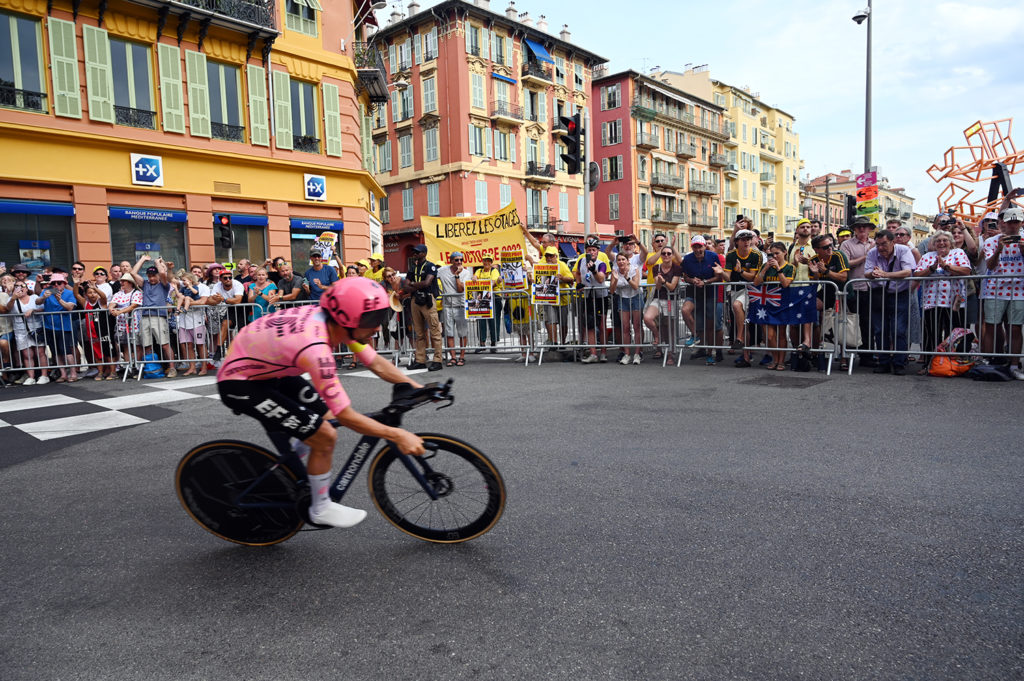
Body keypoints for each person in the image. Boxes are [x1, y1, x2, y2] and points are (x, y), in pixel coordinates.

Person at [217, 277, 426, 529]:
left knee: (324, 419)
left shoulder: (333, 321)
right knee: (325, 435)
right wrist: (396, 434)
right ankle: (320, 507)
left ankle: (295, 457)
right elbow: (347, 416)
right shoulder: (316, 349)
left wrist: (416, 388)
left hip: (270, 370)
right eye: (371, 321)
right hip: (240, 383)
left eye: (378, 319)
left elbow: (374, 362)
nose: (377, 328)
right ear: (345, 320)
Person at [913, 230, 972, 375]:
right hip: (931, 302)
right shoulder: (927, 256)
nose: (941, 243)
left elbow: (966, 271)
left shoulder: (958, 253)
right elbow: (917, 274)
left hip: (953, 302)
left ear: (951, 242)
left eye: (945, 240)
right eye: (938, 240)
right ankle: (929, 364)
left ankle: (958, 364)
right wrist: (932, 268)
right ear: (933, 244)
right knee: (931, 334)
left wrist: (947, 267)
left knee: (956, 333)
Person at [864, 229, 916, 375]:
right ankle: (883, 362)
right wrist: (873, 274)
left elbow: (907, 272)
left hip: (900, 294)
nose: (880, 248)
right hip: (879, 294)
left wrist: (885, 274)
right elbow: (866, 272)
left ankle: (899, 363)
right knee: (880, 329)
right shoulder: (872, 253)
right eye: (878, 244)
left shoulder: (904, 250)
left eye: (884, 244)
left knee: (898, 329)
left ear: (893, 242)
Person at [980, 206, 1024, 378]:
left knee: (1015, 328)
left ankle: (1014, 365)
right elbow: (990, 266)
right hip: (995, 289)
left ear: (1021, 223)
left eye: (1016, 222)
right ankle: (990, 361)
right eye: (1008, 222)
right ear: (1002, 223)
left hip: (1019, 289)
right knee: (991, 326)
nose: (1012, 226)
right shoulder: (991, 241)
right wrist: (999, 248)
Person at [681, 234, 725, 365]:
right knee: (692, 317)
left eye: (700, 247)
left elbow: (719, 277)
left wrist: (705, 282)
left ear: (704, 246)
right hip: (695, 294)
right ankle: (697, 338)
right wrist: (692, 280)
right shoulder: (688, 259)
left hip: (711, 293)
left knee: (711, 325)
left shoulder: (713, 256)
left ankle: (711, 353)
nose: (698, 250)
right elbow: (685, 276)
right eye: (695, 247)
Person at [750, 242, 795, 370]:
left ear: (785, 252)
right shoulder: (766, 265)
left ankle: (781, 361)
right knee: (769, 335)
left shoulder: (790, 267)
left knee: (781, 334)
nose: (774, 256)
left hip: (782, 303)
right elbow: (757, 282)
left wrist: (778, 269)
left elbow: (786, 283)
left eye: (777, 253)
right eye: (771, 254)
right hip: (767, 304)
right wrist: (764, 269)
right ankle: (775, 359)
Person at [839, 217, 876, 366]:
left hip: (872, 288)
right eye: (859, 226)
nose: (862, 229)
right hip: (855, 289)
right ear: (854, 229)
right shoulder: (846, 244)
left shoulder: (874, 243)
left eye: (865, 226)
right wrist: (865, 257)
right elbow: (845, 263)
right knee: (853, 323)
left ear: (869, 229)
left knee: (869, 323)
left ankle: (867, 355)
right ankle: (847, 356)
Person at [725, 229, 764, 367]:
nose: (746, 241)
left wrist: (741, 271)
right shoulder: (730, 255)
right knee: (744, 324)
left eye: (748, 239)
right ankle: (746, 357)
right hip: (736, 290)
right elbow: (727, 277)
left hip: (751, 290)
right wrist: (720, 272)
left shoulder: (756, 255)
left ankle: (739, 337)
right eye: (743, 239)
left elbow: (753, 277)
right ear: (737, 242)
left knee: (737, 305)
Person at [132, 257, 177, 378]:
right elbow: (133, 273)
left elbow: (162, 273)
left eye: (154, 275)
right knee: (147, 345)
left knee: (164, 344)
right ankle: (151, 369)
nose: (151, 278)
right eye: (149, 275)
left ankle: (172, 368)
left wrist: (157, 262)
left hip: (159, 317)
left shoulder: (164, 285)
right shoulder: (145, 284)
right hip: (145, 317)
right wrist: (142, 259)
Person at [404, 244, 444, 371]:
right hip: (415, 300)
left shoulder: (430, 266)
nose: (415, 253)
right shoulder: (412, 268)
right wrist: (417, 285)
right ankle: (420, 360)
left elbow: (427, 283)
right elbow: (405, 286)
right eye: (414, 252)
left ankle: (437, 360)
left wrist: (413, 285)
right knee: (419, 333)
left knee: (434, 331)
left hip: (427, 299)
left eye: (418, 252)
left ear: (424, 253)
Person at [643, 244, 682, 360]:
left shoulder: (677, 268)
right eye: (663, 253)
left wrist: (664, 281)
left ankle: (670, 354)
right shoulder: (657, 268)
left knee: (669, 328)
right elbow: (658, 287)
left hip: (671, 300)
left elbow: (672, 287)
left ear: (672, 255)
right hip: (658, 298)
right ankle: (657, 336)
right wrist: (660, 282)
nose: (666, 255)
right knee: (647, 318)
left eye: (668, 253)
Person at [38, 273, 79, 381]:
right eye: (53, 283)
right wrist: (43, 297)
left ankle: (74, 374)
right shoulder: (47, 291)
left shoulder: (69, 293)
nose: (56, 285)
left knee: (67, 352)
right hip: (49, 326)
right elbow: (37, 302)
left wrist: (59, 299)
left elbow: (70, 307)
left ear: (64, 283)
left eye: (59, 283)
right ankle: (63, 374)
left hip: (64, 326)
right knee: (55, 352)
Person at [8, 280, 49, 384]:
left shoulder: (34, 297)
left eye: (22, 286)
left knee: (40, 352)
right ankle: (31, 377)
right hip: (20, 329)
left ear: (26, 288)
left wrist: (33, 310)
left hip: (36, 327)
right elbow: (8, 308)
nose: (19, 288)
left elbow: (42, 308)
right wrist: (13, 297)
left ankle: (44, 375)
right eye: (16, 286)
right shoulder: (12, 299)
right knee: (27, 354)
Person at [575, 239, 609, 363]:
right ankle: (593, 353)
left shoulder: (601, 263)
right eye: (589, 250)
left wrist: (594, 270)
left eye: (594, 250)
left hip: (601, 296)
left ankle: (603, 352)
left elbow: (600, 279)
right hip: (588, 296)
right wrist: (579, 283)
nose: (591, 252)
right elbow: (577, 273)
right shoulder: (581, 261)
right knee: (589, 324)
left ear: (598, 251)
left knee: (602, 325)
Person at [437, 252, 472, 366]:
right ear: (451, 260)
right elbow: (431, 277)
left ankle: (461, 357)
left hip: (461, 306)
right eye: (456, 260)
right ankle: (453, 357)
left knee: (462, 333)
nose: (459, 262)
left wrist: (457, 275)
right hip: (447, 306)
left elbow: (460, 289)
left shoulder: (466, 273)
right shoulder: (442, 270)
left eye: (461, 260)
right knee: (449, 332)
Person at [609, 251, 643, 365]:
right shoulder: (615, 271)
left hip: (635, 297)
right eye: (619, 260)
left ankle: (637, 354)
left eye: (623, 259)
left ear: (628, 261)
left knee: (637, 326)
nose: (621, 262)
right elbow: (612, 290)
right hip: (622, 298)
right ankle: (627, 354)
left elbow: (635, 286)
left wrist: (627, 277)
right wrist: (615, 279)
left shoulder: (634, 269)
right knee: (625, 327)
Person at [176, 271, 211, 376]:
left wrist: (187, 303)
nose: (183, 282)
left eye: (185, 280)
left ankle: (204, 367)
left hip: (197, 320)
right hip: (184, 320)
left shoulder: (203, 287)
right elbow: (179, 298)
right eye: (182, 280)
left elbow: (202, 301)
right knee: (188, 344)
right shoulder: (184, 288)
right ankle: (192, 368)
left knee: (200, 344)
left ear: (191, 280)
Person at [109, 272, 143, 373]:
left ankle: (138, 365)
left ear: (130, 283)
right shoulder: (118, 294)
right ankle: (129, 367)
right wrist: (112, 310)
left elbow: (133, 306)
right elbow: (112, 304)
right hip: (122, 325)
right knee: (125, 346)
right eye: (121, 281)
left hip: (135, 324)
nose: (122, 283)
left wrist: (119, 311)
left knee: (136, 345)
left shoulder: (136, 293)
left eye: (124, 281)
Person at [472, 255, 503, 352]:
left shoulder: (494, 271)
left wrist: (481, 284)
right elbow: (474, 278)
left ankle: (493, 343)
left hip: (494, 297)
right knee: (481, 320)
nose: (486, 263)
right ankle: (482, 343)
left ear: (491, 262)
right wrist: (474, 278)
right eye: (485, 260)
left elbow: (493, 283)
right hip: (482, 297)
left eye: (489, 261)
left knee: (493, 321)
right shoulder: (479, 271)